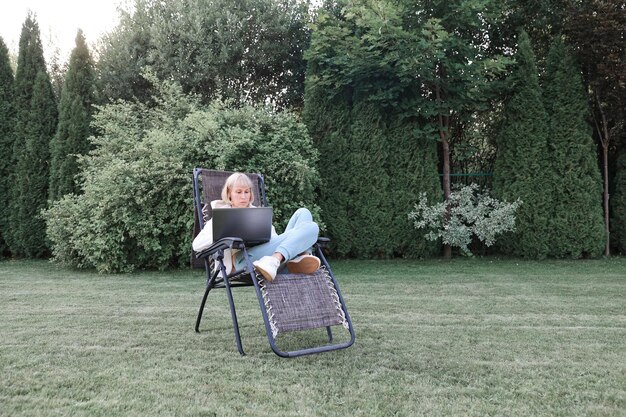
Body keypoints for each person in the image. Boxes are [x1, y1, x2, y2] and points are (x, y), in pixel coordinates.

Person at [192, 172, 321, 281]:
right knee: (312, 227)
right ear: (229, 193)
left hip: (266, 256)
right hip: (240, 262)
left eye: (247, 192)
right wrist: (225, 231)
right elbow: (196, 245)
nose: (244, 196)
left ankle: (300, 258)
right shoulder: (221, 217)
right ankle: (291, 258)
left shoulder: (257, 214)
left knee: (303, 213)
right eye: (238, 192)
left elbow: (275, 240)